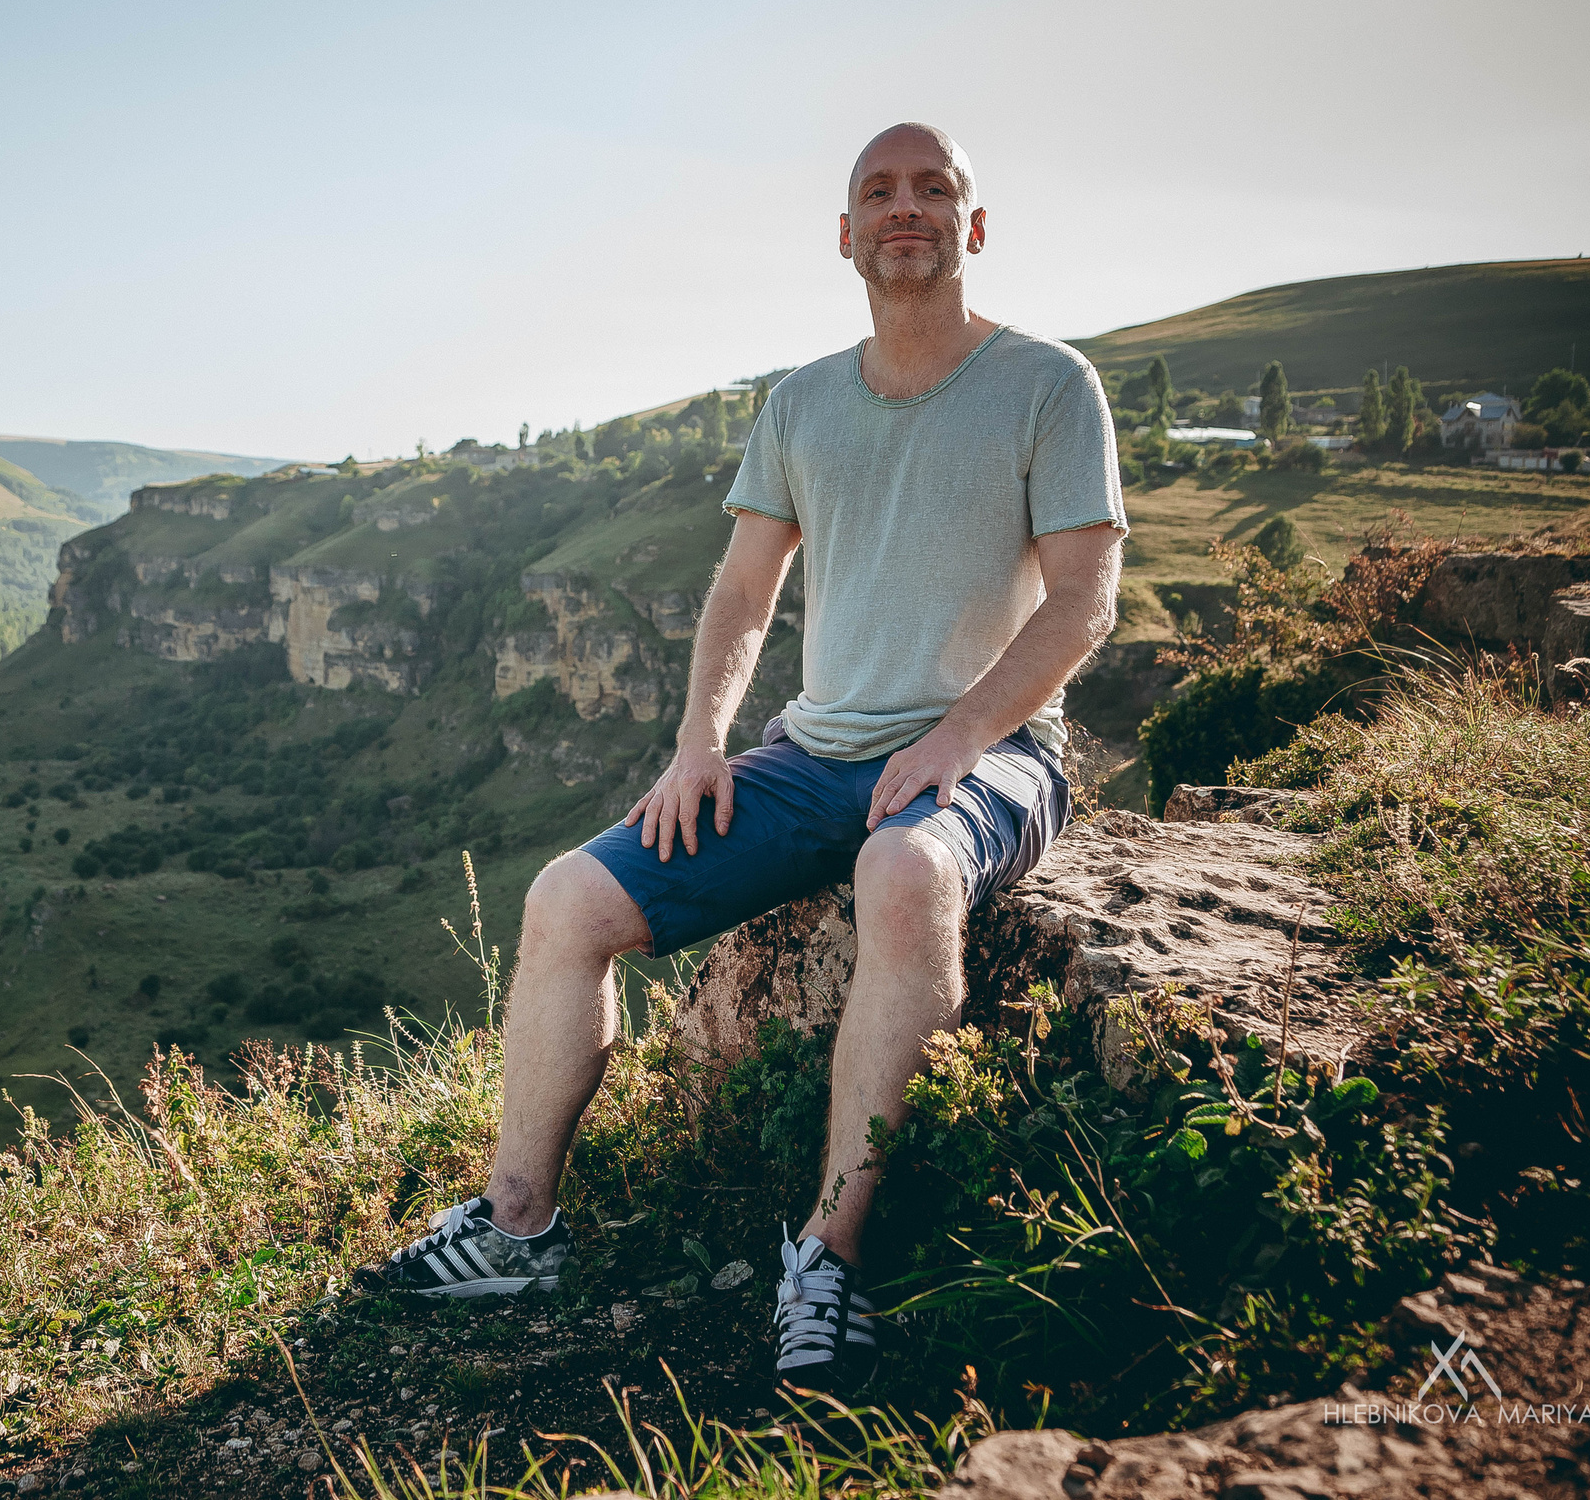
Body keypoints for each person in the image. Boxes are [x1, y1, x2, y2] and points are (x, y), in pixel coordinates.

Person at [354, 123, 1127, 1389]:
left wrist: (956, 734)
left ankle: (828, 1262)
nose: (906, 207)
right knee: (564, 899)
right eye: (878, 191)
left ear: (973, 228)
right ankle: (515, 1227)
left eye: (936, 189)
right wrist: (697, 745)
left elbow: (1084, 600)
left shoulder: (1048, 384)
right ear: (844, 235)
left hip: (988, 749)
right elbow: (742, 589)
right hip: (814, 752)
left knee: (904, 878)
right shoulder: (801, 402)